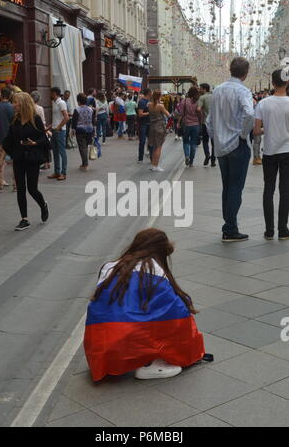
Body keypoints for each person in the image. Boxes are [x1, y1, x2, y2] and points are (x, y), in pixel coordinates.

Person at [84, 229, 210, 382]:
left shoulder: (110, 266)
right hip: (127, 338)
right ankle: (149, 363)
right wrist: (192, 348)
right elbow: (175, 311)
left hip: (100, 340)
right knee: (176, 318)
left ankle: (116, 358)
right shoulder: (154, 269)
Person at [207, 57, 254, 242]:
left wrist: (215, 137)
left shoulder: (217, 90)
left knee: (227, 187)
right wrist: (243, 134)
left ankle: (229, 225)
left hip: (221, 147)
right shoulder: (243, 91)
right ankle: (230, 228)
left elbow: (209, 120)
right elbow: (249, 114)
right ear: (246, 73)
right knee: (235, 187)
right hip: (237, 144)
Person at [2, 92, 50, 231]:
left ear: (22, 103)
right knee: (20, 189)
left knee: (32, 189)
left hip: (32, 159)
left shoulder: (35, 119)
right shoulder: (15, 121)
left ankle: (43, 205)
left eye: (15, 102)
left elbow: (44, 139)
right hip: (19, 158)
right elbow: (9, 139)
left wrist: (34, 143)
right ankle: (24, 219)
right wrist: (5, 153)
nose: (13, 105)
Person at [254, 69, 289, 240]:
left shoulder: (263, 104)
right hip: (287, 152)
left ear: (272, 83)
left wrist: (268, 129)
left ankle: (269, 231)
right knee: (285, 190)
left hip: (269, 152)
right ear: (287, 82)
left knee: (268, 189)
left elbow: (256, 131)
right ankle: (283, 230)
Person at [47, 87, 69, 181]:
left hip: (60, 131)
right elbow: (57, 119)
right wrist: (48, 127)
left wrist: (59, 128)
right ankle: (57, 172)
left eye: (51, 93)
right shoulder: (55, 103)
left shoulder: (61, 103)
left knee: (62, 152)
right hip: (55, 130)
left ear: (55, 93)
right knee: (55, 152)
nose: (50, 95)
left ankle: (63, 173)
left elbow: (66, 117)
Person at [178, 86, 201, 167]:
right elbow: (200, 113)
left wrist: (178, 123)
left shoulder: (184, 101)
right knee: (193, 143)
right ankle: (191, 161)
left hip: (187, 124)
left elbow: (181, 113)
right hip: (196, 124)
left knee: (186, 141)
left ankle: (187, 155)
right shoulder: (198, 101)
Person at [148, 90, 170, 172]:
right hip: (160, 126)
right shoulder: (160, 106)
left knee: (154, 146)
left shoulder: (149, 105)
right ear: (159, 96)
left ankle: (153, 164)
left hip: (152, 126)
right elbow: (168, 114)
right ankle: (156, 165)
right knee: (159, 147)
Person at [72, 93, 94, 171]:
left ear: (79, 101)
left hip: (80, 130)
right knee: (86, 146)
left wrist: (72, 130)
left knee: (82, 147)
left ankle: (85, 164)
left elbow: (74, 121)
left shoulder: (77, 110)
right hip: (89, 129)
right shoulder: (90, 109)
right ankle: (84, 163)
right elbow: (93, 120)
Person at [30, 90, 51, 170]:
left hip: (31, 130)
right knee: (43, 146)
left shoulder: (29, 108)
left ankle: (37, 163)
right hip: (40, 130)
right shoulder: (40, 108)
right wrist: (46, 130)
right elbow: (43, 121)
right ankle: (46, 163)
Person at [197, 83, 215, 167]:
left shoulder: (202, 97)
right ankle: (213, 160)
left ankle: (207, 155)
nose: (199, 90)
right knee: (214, 142)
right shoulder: (214, 96)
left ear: (204, 89)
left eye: (200, 88)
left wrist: (201, 114)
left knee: (205, 140)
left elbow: (198, 109)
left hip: (205, 122)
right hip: (215, 122)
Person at [137, 88, 152, 163]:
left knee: (151, 141)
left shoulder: (150, 101)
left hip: (150, 123)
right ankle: (140, 158)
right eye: (151, 92)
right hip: (143, 124)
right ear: (148, 93)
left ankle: (152, 158)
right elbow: (140, 114)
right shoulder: (142, 102)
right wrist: (149, 113)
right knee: (142, 141)